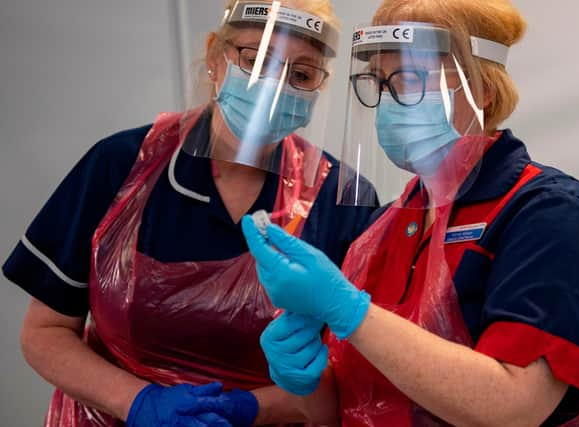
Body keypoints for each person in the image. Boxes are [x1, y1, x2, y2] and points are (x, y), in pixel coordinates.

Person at [243, 0, 579, 426]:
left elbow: (514, 409)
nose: (390, 101)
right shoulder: (383, 227)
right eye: (380, 82)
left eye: (409, 77)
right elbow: (362, 404)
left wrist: (349, 311)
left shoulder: (547, 213)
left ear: (484, 87)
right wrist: (307, 379)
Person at [2, 1, 377, 426]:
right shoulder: (123, 168)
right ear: (216, 59)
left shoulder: (342, 197)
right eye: (256, 61)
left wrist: (248, 410)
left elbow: (349, 376)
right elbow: (44, 333)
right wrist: (139, 402)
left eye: (302, 74)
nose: (275, 86)